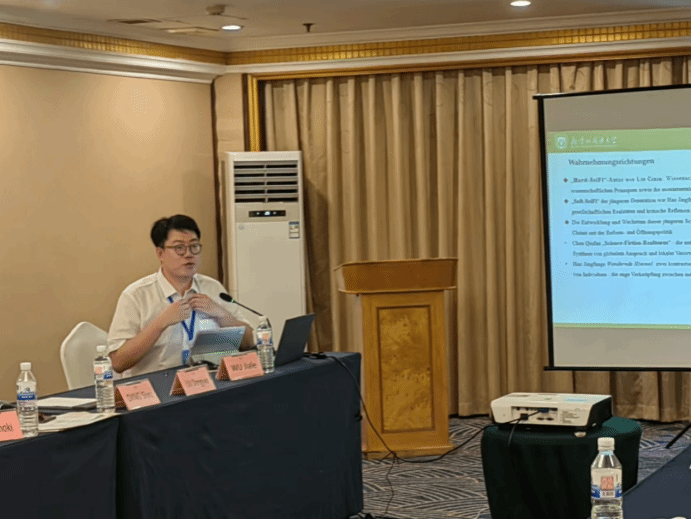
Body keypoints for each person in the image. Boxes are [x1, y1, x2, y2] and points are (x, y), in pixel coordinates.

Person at [107, 214, 254, 376]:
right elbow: (118, 362)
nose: (189, 254)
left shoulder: (212, 288)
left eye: (194, 246)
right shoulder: (136, 295)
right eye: (179, 248)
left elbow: (248, 343)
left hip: (210, 381)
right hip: (156, 386)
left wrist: (222, 315)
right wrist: (160, 324)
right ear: (160, 253)